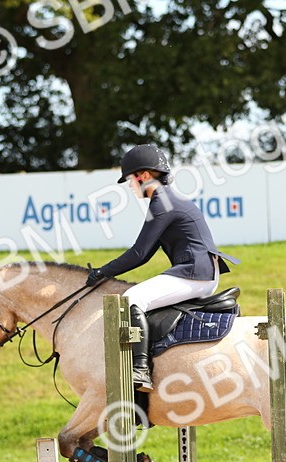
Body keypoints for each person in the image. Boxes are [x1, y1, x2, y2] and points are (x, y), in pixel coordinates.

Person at [85, 144, 238, 392]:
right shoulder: (167, 200)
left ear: (144, 176)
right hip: (199, 271)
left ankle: (140, 369)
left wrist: (103, 272)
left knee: (132, 298)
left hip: (195, 273)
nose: (130, 186)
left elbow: (139, 253)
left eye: (130, 180)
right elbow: (145, 255)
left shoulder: (162, 203)